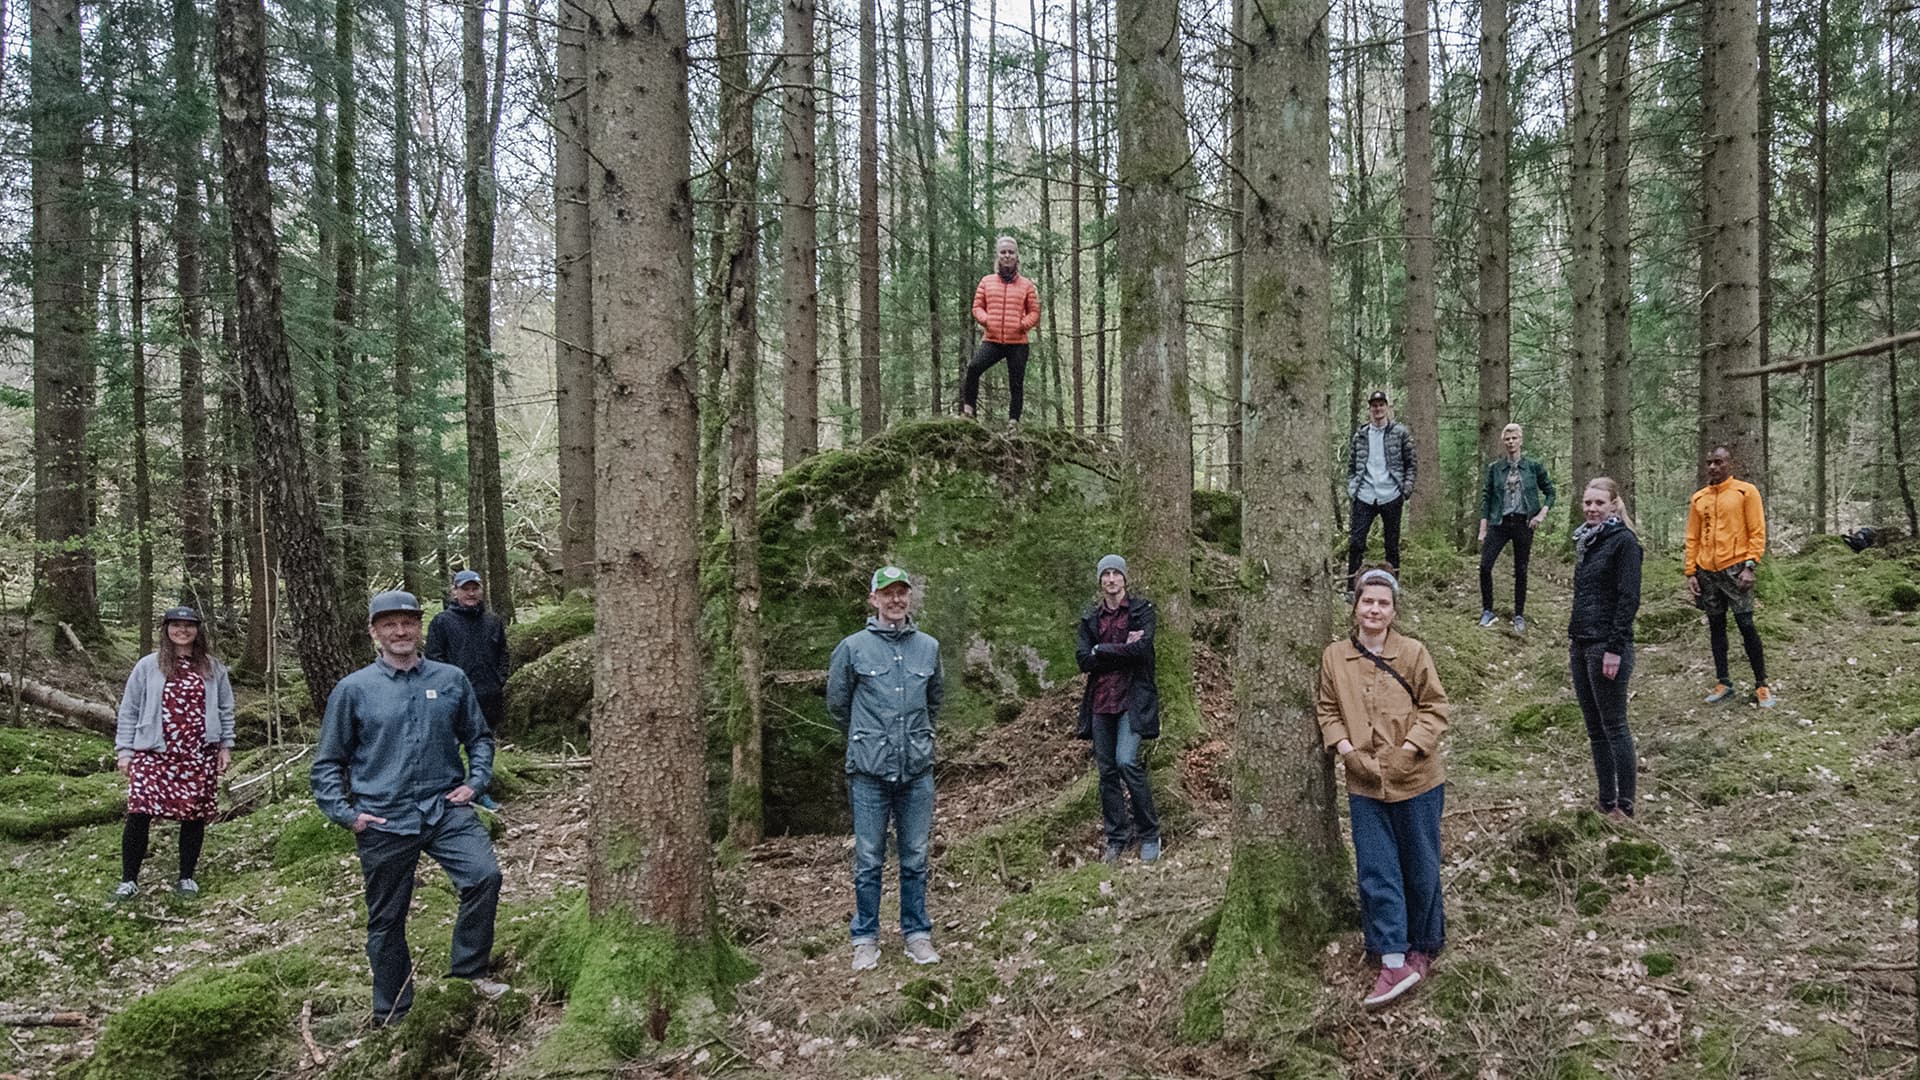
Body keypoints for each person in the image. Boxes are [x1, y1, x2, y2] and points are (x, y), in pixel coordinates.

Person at [312, 590, 507, 1025]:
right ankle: (393, 1010)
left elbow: (478, 737)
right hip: (382, 817)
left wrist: (475, 782)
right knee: (386, 919)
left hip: (445, 808)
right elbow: (328, 762)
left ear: (420, 627)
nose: (400, 631)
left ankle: (469, 974)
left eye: (408, 623)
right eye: (389, 624)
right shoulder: (353, 690)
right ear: (374, 633)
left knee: (484, 877)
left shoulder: (451, 679)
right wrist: (346, 814)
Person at [1316, 569, 1449, 1008]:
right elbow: (1328, 708)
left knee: (1420, 864)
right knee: (1376, 868)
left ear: (1393, 611)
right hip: (1364, 782)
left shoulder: (1412, 652)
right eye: (1367, 602)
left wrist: (1411, 749)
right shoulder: (1335, 656)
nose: (1374, 610)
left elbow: (1435, 706)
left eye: (1383, 604)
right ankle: (1392, 956)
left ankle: (1424, 946)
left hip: (1418, 779)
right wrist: (1347, 750)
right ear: (1355, 607)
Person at [826, 566, 945, 971]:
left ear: (909, 598)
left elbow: (934, 701)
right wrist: (869, 739)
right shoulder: (852, 648)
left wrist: (915, 740)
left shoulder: (928, 648)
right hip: (869, 772)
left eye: (902, 593)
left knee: (914, 856)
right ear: (873, 599)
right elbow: (838, 704)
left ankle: (917, 934)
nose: (895, 600)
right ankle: (865, 938)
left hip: (916, 771)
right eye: (887, 593)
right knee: (869, 857)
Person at [112, 606, 235, 900]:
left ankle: (186, 877)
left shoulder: (212, 668)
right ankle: (128, 880)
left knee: (194, 815)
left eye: (189, 625)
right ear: (166, 629)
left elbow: (226, 709)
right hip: (153, 752)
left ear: (198, 630)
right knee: (139, 812)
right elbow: (129, 710)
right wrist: (125, 751)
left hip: (198, 753)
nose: (183, 630)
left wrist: (225, 746)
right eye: (176, 625)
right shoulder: (148, 666)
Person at [1073, 554, 1162, 864]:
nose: (1111, 579)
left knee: (1126, 762)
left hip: (1132, 699)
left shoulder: (1142, 610)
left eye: (1116, 573)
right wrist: (1118, 648)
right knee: (1106, 771)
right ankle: (1117, 837)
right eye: (1106, 574)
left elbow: (1141, 650)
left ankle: (1150, 833)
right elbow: (1083, 659)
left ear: (1124, 578)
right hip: (1100, 702)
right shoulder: (1091, 618)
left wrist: (1103, 649)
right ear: (1100, 580)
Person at [1569, 478, 1643, 821]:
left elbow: (1628, 599)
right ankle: (1605, 799)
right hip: (1581, 641)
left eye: (1599, 503)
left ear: (1614, 505)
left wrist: (1614, 647)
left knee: (1614, 725)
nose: (1592, 509)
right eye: (1588, 503)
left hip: (1608, 646)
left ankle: (1625, 805)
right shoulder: (1586, 541)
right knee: (1594, 728)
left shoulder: (1625, 543)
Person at [1685, 446, 1776, 708]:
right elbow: (1692, 536)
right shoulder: (1699, 498)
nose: (1713, 467)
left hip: (1736, 569)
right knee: (1716, 626)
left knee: (1746, 625)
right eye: (1710, 462)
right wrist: (1691, 571)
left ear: (1729, 464)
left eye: (1719, 462)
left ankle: (1762, 685)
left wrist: (1750, 566)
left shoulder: (1745, 492)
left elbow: (1757, 531)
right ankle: (1724, 681)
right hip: (1706, 572)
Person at [1476, 422, 1555, 633]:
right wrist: (1483, 528)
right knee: (1485, 566)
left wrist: (1541, 515)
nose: (1511, 442)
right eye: (1507, 439)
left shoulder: (1533, 467)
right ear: (1503, 442)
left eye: (1514, 438)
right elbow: (1487, 498)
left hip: (1523, 523)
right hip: (1499, 523)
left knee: (1520, 569)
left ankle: (1519, 615)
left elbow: (1550, 492)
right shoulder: (1495, 469)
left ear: (1521, 440)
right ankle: (1487, 610)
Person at [962, 236, 1041, 424]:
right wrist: (986, 320)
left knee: (1016, 384)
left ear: (1017, 256)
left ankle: (1013, 423)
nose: (1007, 256)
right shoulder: (987, 281)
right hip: (992, 340)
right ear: (997, 256)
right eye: (1003, 252)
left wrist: (1023, 325)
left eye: (1011, 252)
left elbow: (1035, 312)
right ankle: (968, 413)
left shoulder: (1026, 285)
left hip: (1018, 343)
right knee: (973, 368)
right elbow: (977, 307)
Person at [425, 569, 511, 738]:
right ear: (455, 592)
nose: (471, 593)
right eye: (465, 589)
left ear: (481, 591)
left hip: (490, 697)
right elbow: (434, 657)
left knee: (488, 742)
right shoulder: (442, 621)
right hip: (456, 697)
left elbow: (503, 653)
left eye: (475, 588)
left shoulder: (492, 621)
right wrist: (449, 687)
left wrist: (499, 680)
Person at [1346, 391, 1417, 591]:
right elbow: (1351, 465)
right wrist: (1353, 488)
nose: (1377, 409)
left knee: (1392, 545)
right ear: (1369, 409)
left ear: (1387, 407)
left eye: (1381, 405)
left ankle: (1393, 587)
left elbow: (1411, 464)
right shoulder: (1360, 435)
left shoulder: (1400, 433)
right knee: (1356, 543)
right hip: (1365, 495)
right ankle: (1352, 588)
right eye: (1374, 405)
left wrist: (1405, 490)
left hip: (1391, 495)